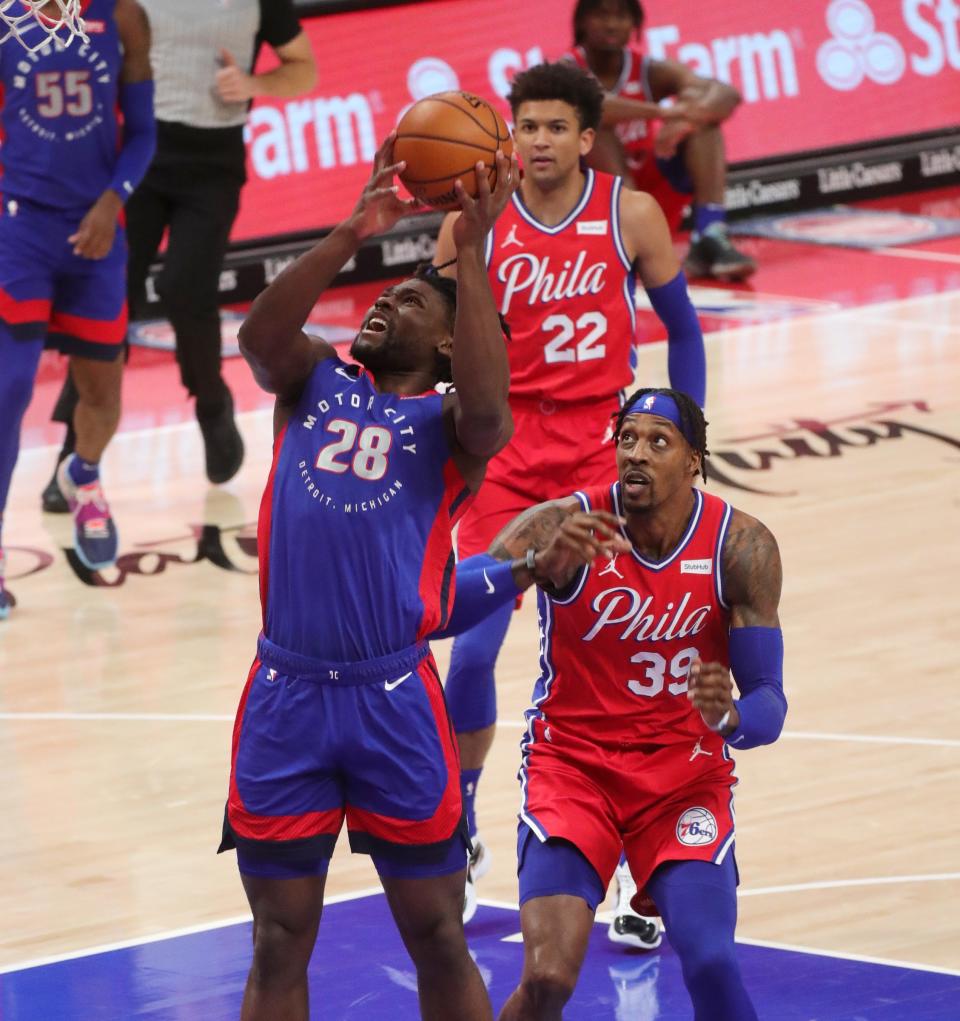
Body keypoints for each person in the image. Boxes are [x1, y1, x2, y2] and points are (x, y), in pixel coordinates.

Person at [216, 137, 523, 1021]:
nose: (389, 299)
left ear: (446, 343)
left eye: (413, 300)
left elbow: (493, 405)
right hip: (286, 693)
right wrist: (354, 229)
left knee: (434, 933)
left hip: (393, 697)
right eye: (390, 291)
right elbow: (258, 334)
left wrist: (470, 249)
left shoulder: (453, 427)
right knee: (277, 938)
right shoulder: (312, 379)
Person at [432, 60, 704, 937]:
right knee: (470, 654)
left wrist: (685, 445)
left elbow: (685, 326)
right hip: (502, 457)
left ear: (587, 138)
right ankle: (460, 831)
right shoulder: (473, 221)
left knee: (617, 662)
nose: (538, 141)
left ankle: (640, 866)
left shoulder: (629, 212)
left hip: (602, 453)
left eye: (555, 127)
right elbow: (436, 340)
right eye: (527, 126)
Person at [491, 387, 787, 1021]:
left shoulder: (741, 547)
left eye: (659, 441)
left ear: (693, 461)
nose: (637, 454)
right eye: (627, 438)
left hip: (682, 781)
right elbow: (451, 601)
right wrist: (530, 567)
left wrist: (730, 718)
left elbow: (770, 702)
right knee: (546, 977)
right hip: (572, 770)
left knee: (710, 962)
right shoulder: (561, 524)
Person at [40, 0, 317, 510]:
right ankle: (73, 453)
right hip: (134, 153)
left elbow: (305, 67)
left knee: (186, 290)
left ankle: (212, 404)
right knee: (108, 295)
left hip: (212, 164)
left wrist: (256, 85)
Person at [0, 0, 155, 617]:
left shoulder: (123, 17)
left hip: (98, 231)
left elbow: (142, 132)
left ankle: (82, 474)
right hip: (21, 232)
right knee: (9, 393)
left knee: (102, 396)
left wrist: (112, 203)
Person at [566, 0, 757, 281]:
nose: (610, 24)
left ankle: (709, 235)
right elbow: (592, 105)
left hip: (650, 192)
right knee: (595, 129)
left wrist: (686, 119)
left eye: (620, 16)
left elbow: (725, 93)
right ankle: (627, 239)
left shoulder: (650, 69)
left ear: (634, 24)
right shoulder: (566, 70)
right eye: (601, 14)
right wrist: (663, 112)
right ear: (581, 22)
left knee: (704, 126)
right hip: (593, 203)